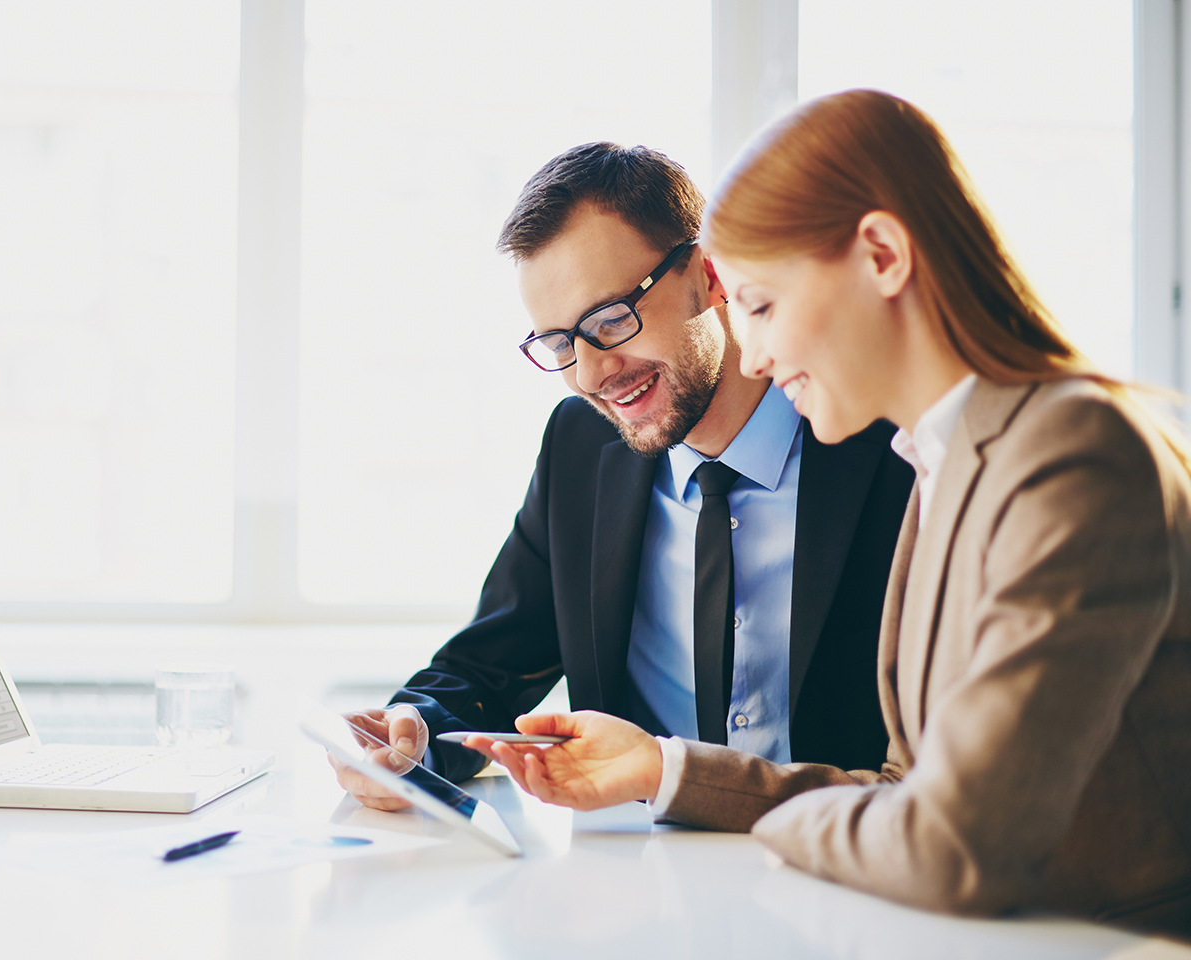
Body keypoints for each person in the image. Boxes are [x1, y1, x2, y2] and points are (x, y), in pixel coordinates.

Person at [471, 90, 1191, 935]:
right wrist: (664, 770)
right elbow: (907, 797)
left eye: (764, 307)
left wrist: (745, 822)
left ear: (882, 256)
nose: (761, 354)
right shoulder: (941, 460)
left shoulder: (1073, 452)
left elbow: (952, 839)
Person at [331, 142, 914, 813]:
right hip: (638, 881)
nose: (590, 374)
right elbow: (489, 665)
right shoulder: (580, 448)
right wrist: (414, 736)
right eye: (558, 344)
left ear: (711, 273)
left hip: (841, 869)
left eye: (611, 320)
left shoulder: (885, 445)